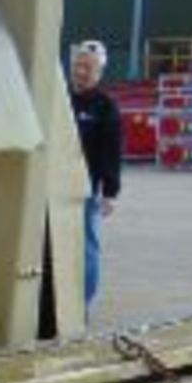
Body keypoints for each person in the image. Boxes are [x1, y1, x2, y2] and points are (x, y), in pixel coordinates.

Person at [68, 40, 123, 315]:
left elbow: (111, 152)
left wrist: (110, 192)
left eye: (87, 67)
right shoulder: (61, 99)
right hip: (53, 186)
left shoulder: (105, 107)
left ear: (99, 72)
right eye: (77, 65)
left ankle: (81, 306)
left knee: (86, 247)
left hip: (85, 190)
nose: (80, 71)